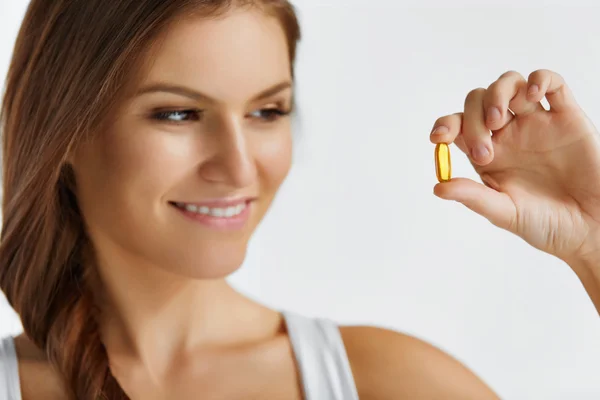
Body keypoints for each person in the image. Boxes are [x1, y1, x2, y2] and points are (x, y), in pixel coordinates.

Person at [0, 0, 598, 399]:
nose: (239, 166)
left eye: (268, 111)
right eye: (177, 113)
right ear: (65, 130)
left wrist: (592, 242)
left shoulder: (388, 383)